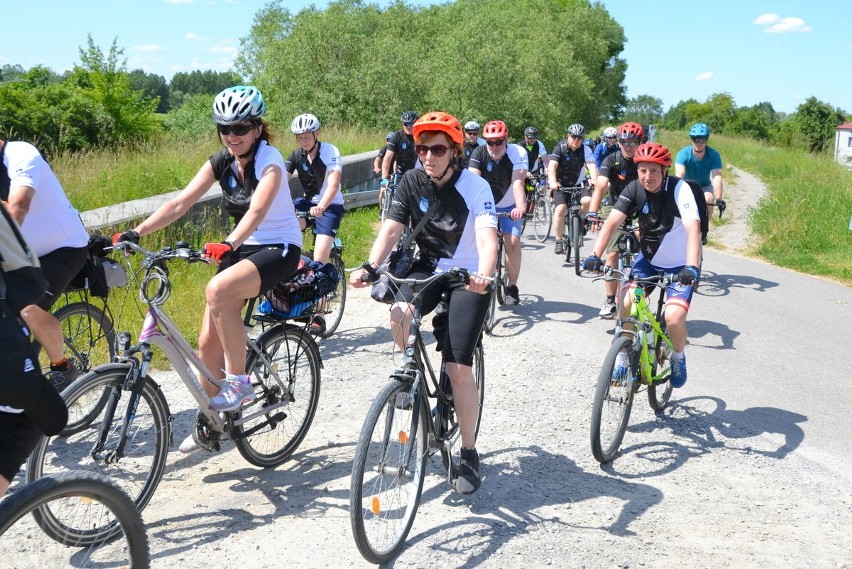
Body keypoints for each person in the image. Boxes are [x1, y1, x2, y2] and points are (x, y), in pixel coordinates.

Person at [112, 85, 303, 452]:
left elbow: (259, 210)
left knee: (217, 290)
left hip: (278, 248)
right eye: (225, 129)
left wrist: (229, 242)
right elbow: (181, 201)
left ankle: (239, 381)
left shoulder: (271, 159)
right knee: (205, 344)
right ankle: (215, 423)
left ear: (258, 129)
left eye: (241, 128)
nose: (232, 136)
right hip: (241, 248)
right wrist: (137, 231)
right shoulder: (222, 162)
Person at [350, 111, 497, 494]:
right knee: (400, 314)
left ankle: (468, 452)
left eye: (437, 149)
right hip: (428, 266)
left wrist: (483, 274)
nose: (428, 156)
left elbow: (486, 239)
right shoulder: (412, 181)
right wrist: (371, 265)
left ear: (455, 151)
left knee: (458, 366)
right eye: (421, 148)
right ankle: (415, 376)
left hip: (468, 276)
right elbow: (393, 227)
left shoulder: (475, 187)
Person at [583, 142, 702, 388]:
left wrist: (691, 267)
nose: (648, 177)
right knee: (626, 303)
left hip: (680, 265)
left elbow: (694, 231)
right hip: (648, 261)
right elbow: (612, 223)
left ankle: (678, 357)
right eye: (643, 170)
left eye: (654, 171)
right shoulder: (634, 189)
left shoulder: (680, 190)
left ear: (664, 171)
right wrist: (595, 254)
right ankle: (624, 355)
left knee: (673, 317)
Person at [0, 138, 90, 392]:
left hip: (64, 248)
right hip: (19, 255)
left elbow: (18, 208)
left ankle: (62, 367)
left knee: (25, 306)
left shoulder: (21, 154)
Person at [285, 113, 344, 336]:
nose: (303, 140)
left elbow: (334, 183)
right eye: (299, 137)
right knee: (287, 230)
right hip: (308, 202)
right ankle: (294, 268)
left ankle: (318, 314)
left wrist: (322, 206)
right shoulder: (296, 155)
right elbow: (281, 178)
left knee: (320, 259)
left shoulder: (330, 151)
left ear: (316, 134)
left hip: (330, 205)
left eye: (307, 136)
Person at [588, 122, 644, 318]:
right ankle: (611, 300)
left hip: (641, 208)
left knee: (645, 256)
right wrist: (593, 211)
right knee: (612, 253)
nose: (628, 146)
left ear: (640, 142)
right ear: (618, 142)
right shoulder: (612, 160)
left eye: (633, 142)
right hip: (616, 207)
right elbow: (601, 185)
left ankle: (638, 300)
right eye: (624, 142)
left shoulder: (645, 161)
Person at [468, 120, 527, 305]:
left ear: (506, 139)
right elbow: (473, 183)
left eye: (498, 141)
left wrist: (520, 208)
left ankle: (512, 287)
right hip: (486, 206)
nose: (494, 146)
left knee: (513, 242)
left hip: (510, 206)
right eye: (490, 142)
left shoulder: (518, 152)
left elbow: (518, 182)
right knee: (480, 242)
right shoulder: (479, 152)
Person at [547, 123, 598, 254]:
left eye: (579, 137)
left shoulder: (586, 149)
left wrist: (594, 179)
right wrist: (553, 182)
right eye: (573, 136)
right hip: (561, 184)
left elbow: (591, 165)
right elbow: (552, 166)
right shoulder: (560, 147)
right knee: (560, 209)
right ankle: (558, 241)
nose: (576, 139)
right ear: (567, 136)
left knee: (587, 201)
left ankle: (581, 220)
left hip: (579, 183)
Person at [674, 122, 724, 218]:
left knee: (709, 199)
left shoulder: (714, 155)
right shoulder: (683, 154)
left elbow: (716, 176)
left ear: (707, 140)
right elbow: (679, 175)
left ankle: (705, 228)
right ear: (691, 140)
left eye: (702, 139)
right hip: (687, 185)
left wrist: (718, 198)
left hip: (704, 186)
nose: (698, 143)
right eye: (695, 139)